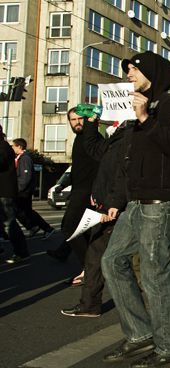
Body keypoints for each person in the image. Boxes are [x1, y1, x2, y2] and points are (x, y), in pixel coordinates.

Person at [100, 52, 170, 368]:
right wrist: (117, 198)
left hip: (157, 202)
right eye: (126, 69)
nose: (128, 73)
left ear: (150, 71)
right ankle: (140, 334)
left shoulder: (167, 105)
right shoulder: (136, 109)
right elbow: (128, 161)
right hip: (135, 202)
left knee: (154, 273)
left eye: (134, 69)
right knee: (112, 261)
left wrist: (145, 119)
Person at [61, 118, 133, 318]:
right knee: (97, 256)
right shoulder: (116, 138)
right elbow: (97, 153)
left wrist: (113, 202)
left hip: (115, 207)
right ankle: (89, 305)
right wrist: (91, 123)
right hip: (105, 204)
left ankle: (161, 308)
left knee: (127, 263)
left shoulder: (129, 138)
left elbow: (122, 175)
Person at [46, 109, 101, 286]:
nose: (77, 122)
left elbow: (101, 166)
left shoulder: (92, 138)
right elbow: (78, 167)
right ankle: (90, 268)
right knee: (82, 232)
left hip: (87, 192)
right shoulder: (80, 138)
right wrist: (62, 183)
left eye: (80, 119)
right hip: (79, 190)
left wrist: (96, 191)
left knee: (69, 228)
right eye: (73, 119)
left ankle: (90, 269)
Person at [11, 138, 54, 238]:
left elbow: (25, 177)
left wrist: (18, 189)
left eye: (13, 146)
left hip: (24, 191)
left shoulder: (25, 159)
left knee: (24, 211)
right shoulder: (21, 158)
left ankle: (46, 228)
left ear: (19, 147)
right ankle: (33, 227)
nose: (12, 148)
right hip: (23, 190)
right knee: (22, 211)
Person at [1, 125, 28, 263]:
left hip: (4, 193)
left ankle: (21, 252)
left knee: (9, 223)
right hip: (4, 192)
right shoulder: (4, 147)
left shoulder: (3, 147)